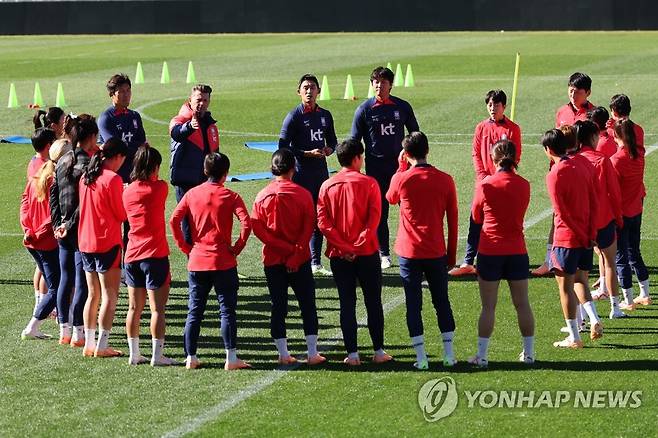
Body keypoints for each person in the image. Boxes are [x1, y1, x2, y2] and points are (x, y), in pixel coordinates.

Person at [170, 153, 251, 370]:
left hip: (197, 260)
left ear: (205, 171)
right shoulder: (231, 196)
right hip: (223, 261)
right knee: (227, 311)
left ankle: (191, 357)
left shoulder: (191, 194)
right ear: (226, 173)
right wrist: (237, 248)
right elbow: (246, 223)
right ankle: (231, 358)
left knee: (194, 310)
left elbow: (174, 220)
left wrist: (185, 246)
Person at [385, 132, 458, 370]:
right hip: (436, 250)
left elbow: (390, 197)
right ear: (428, 150)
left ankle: (421, 358)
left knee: (413, 304)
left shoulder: (402, 179)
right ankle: (449, 354)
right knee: (442, 302)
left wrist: (399, 168)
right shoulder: (445, 179)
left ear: (406, 154)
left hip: (409, 252)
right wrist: (452, 254)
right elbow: (453, 219)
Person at [317, 138, 392, 366]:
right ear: (357, 158)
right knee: (373, 301)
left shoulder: (327, 185)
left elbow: (323, 222)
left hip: (339, 255)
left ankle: (352, 354)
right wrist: (358, 244)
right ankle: (378, 351)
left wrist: (343, 246)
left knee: (347, 303)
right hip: (367, 252)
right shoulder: (369, 183)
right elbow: (374, 219)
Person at [251, 148, 326, 366]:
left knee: (278, 306)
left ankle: (283, 353)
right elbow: (310, 224)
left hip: (274, 259)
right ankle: (312, 353)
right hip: (299, 259)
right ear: (293, 168)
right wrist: (296, 251)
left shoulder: (262, 195)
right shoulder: (301, 194)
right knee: (307, 305)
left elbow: (259, 228)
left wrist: (282, 248)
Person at [466, 139, 535, 368]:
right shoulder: (524, 184)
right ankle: (529, 354)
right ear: (516, 158)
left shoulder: (485, 185)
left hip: (490, 250)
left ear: (493, 159)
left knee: (488, 307)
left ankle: (482, 356)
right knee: (523, 304)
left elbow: (476, 217)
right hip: (517, 250)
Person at [351, 66, 419, 269]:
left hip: (402, 169)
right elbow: (354, 141)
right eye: (375, 82)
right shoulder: (364, 109)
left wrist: (410, 156)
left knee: (410, 209)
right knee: (380, 212)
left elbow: (415, 134)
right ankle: (384, 254)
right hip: (376, 169)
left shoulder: (402, 107)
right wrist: (357, 168)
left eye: (383, 82)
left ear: (391, 84)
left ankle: (415, 248)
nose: (379, 86)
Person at [449, 89, 522, 276]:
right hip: (483, 184)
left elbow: (516, 156)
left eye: (496, 105)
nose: (492, 108)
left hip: (504, 183)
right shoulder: (481, 127)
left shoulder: (512, 129)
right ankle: (468, 260)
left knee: (503, 220)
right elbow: (475, 153)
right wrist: (483, 176)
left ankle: (505, 258)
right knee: (476, 219)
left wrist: (502, 175)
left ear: (504, 107)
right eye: (489, 104)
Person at [542, 129, 601, 349]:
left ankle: (574, 336)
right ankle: (594, 319)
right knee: (581, 280)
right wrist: (591, 233)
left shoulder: (555, 174)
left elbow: (561, 212)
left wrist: (580, 233)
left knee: (565, 287)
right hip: (585, 236)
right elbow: (595, 200)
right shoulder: (583, 165)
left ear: (549, 150)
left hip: (566, 238)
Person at [534, 72, 597, 276]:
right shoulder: (561, 111)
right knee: (557, 214)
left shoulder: (593, 114)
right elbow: (554, 142)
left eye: (577, 90)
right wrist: (552, 164)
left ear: (587, 92)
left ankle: (603, 271)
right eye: (570, 88)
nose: (572, 93)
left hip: (583, 172)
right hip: (562, 171)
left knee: (586, 215)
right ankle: (549, 259)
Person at [122, 145, 176, 366]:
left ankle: (134, 353)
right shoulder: (160, 188)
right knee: (157, 309)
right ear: (154, 167)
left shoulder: (127, 191)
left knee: (134, 308)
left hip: (132, 254)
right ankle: (157, 355)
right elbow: (159, 184)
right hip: (155, 254)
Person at [278, 74, 337, 276]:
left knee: (319, 216)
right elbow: (282, 147)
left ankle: (316, 262)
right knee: (300, 219)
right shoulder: (293, 116)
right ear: (299, 92)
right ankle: (295, 257)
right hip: (301, 174)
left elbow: (333, 140)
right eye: (305, 88)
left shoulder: (326, 115)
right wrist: (305, 153)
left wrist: (329, 149)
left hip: (320, 173)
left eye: (312, 87)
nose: (309, 91)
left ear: (319, 90)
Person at [49, 115, 98, 348]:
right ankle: (78, 332)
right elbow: (85, 201)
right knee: (81, 281)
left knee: (64, 279)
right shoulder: (88, 164)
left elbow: (54, 194)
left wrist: (57, 223)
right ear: (91, 137)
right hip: (80, 228)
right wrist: (68, 224)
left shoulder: (62, 159)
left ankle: (64, 330)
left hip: (62, 229)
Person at [79, 137, 128, 358]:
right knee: (110, 295)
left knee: (92, 295)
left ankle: (89, 343)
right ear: (117, 157)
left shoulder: (86, 177)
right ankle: (102, 345)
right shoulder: (113, 179)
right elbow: (121, 214)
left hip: (86, 241)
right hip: (106, 241)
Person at [574, 121, 626, 319]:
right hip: (604, 220)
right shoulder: (602, 160)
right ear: (593, 138)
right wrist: (618, 217)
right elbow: (614, 192)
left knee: (581, 274)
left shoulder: (574, 161)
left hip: (584, 224)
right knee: (610, 262)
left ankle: (582, 316)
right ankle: (615, 308)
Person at [19, 130, 61, 341]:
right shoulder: (54, 182)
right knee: (57, 287)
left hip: (32, 240)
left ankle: (61, 320)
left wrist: (28, 230)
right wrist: (38, 232)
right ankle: (33, 326)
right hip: (45, 242)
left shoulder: (34, 178)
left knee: (52, 280)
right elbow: (54, 215)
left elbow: (24, 205)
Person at [169, 84, 220, 245]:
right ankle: (192, 264)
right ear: (190, 100)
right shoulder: (181, 119)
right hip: (186, 182)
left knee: (206, 223)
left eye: (205, 100)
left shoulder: (210, 124)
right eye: (198, 99)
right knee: (188, 226)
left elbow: (215, 153)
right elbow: (176, 133)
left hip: (205, 182)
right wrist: (190, 127)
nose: (201, 103)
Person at [611, 118, 651, 308]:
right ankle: (645, 293)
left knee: (620, 257)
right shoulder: (639, 155)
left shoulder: (616, 160)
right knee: (634, 251)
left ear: (616, 135)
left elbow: (611, 189)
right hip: (636, 210)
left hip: (621, 214)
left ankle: (627, 300)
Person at [26, 128, 57, 315]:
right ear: (48, 146)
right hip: (43, 227)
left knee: (41, 269)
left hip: (34, 223)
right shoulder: (47, 168)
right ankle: (45, 308)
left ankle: (40, 301)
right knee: (50, 273)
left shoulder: (33, 162)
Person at [98, 74, 146, 184]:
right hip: (115, 175)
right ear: (112, 94)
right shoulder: (106, 118)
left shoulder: (134, 116)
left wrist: (133, 146)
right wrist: (137, 146)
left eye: (128, 91)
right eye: (121, 92)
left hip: (134, 173)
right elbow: (115, 148)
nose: (126, 95)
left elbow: (143, 144)